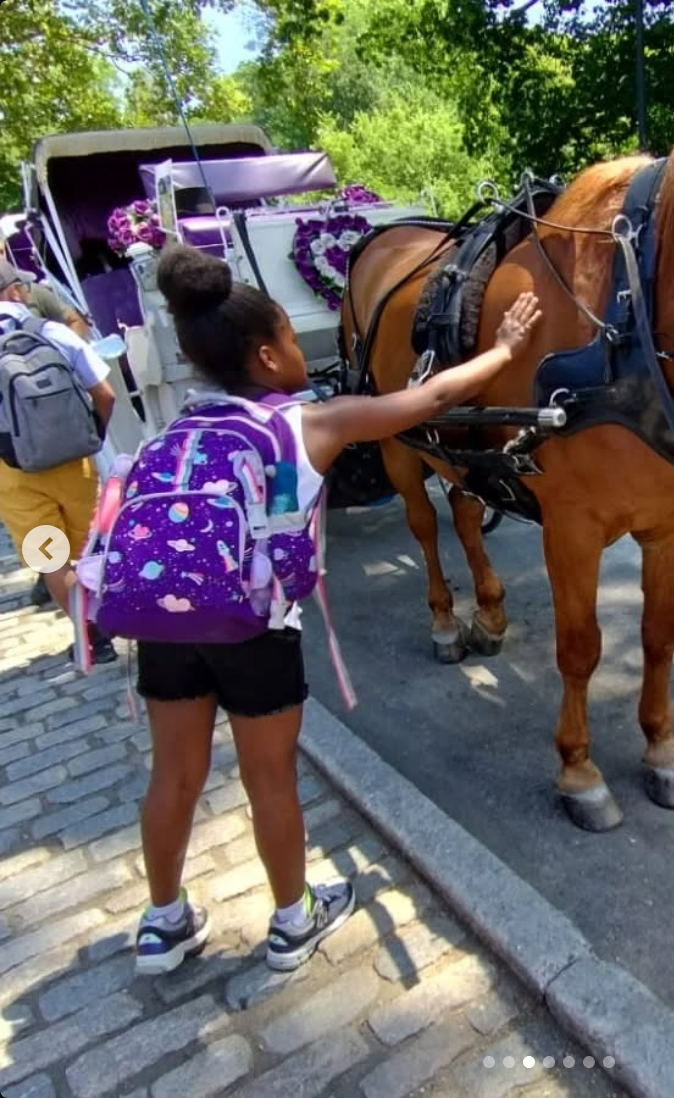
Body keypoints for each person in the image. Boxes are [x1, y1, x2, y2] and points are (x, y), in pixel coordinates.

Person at [133, 245, 541, 975]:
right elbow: (428, 401)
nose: (298, 349)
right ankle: (294, 922)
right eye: (290, 337)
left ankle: (163, 924)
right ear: (265, 356)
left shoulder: (171, 434)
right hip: (251, 628)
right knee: (269, 779)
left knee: (173, 776)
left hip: (160, 622)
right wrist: (505, 347)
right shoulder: (307, 425)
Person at [0, 296, 118, 663]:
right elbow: (105, 393)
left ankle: (93, 639)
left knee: (52, 559)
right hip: (74, 462)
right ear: (15, 293)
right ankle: (130, 621)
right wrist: (92, 436)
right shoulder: (50, 332)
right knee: (90, 550)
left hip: (14, 474)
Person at [0, 259, 92, 337]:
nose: (26, 289)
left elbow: (75, 322)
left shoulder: (35, 293)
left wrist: (61, 351)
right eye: (23, 285)